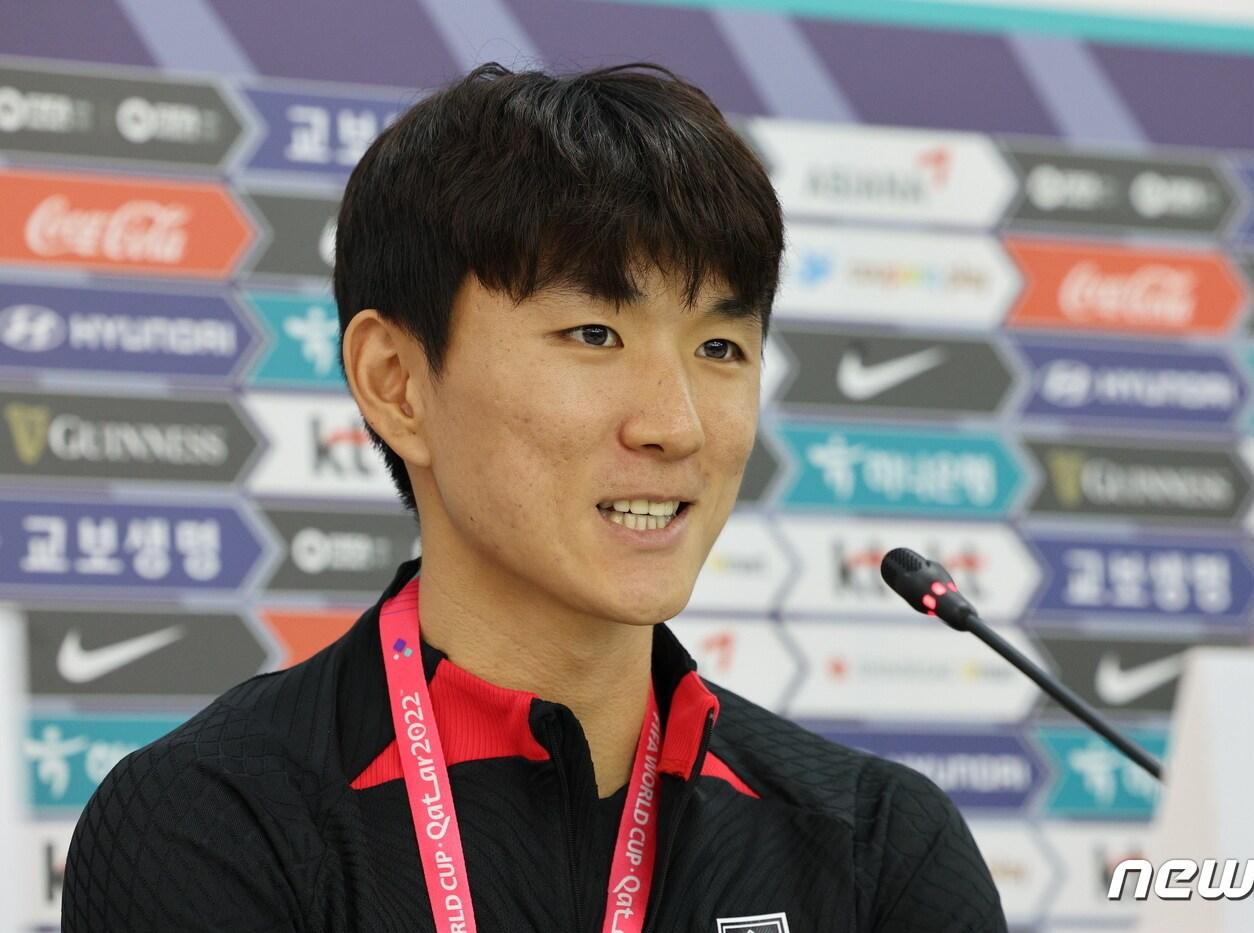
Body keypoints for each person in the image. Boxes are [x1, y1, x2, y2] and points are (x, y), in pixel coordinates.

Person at [62, 62, 1006, 932]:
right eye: (595, 334)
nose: (675, 425)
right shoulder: (207, 822)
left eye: (720, 347)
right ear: (397, 382)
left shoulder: (878, 844)